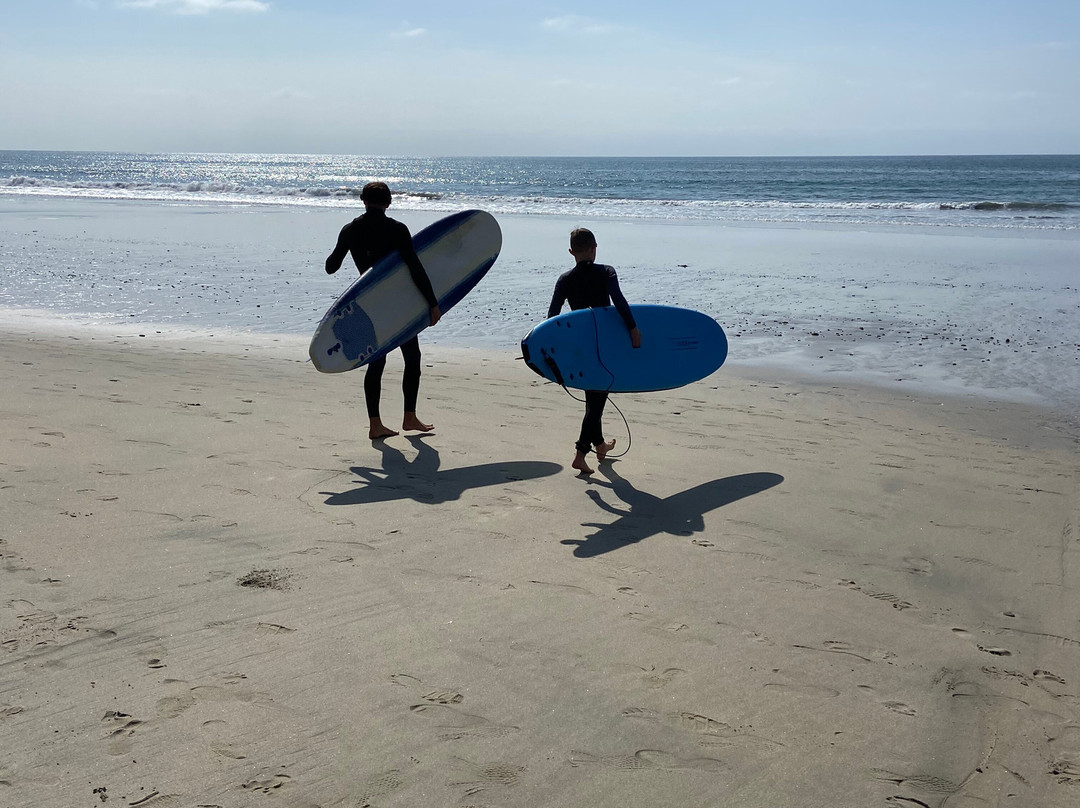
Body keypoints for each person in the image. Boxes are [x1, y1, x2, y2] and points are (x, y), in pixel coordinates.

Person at [325, 181, 442, 440]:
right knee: (412, 358)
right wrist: (432, 303)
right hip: (399, 305)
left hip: (369, 305)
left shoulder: (350, 230)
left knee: (376, 363)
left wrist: (342, 250)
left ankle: (375, 424)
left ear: (362, 200)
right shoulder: (397, 229)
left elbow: (331, 267)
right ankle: (409, 417)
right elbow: (415, 268)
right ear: (389, 202)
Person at [547, 228, 641, 474]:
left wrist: (554, 351)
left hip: (580, 347)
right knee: (596, 403)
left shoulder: (564, 279)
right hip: (603, 345)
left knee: (594, 397)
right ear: (594, 247)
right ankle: (581, 452)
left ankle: (600, 445)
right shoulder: (606, 272)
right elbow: (619, 301)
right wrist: (633, 329)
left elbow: (552, 318)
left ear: (571, 252)